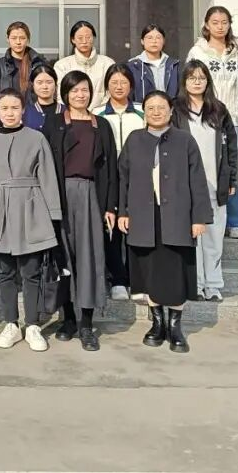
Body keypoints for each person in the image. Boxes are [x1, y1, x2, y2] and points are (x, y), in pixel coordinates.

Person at [118, 91, 213, 353]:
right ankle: (157, 323)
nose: (156, 112)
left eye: (161, 107)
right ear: (144, 112)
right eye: (150, 108)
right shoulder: (135, 139)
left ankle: (175, 325)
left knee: (176, 273)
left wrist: (199, 217)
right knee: (149, 271)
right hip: (144, 216)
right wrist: (123, 211)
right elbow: (123, 178)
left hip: (177, 217)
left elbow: (197, 180)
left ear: (171, 111)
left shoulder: (185, 140)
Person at [0, 89, 62, 352]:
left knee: (31, 271)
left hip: (31, 207)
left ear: (23, 110)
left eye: (15, 107)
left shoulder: (36, 138)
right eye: (5, 108)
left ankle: (33, 324)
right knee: (4, 271)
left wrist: (52, 215)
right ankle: (11, 323)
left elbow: (47, 176)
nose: (10, 113)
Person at [44, 71, 118, 352]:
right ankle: (68, 319)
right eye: (74, 90)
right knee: (64, 257)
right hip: (60, 196)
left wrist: (109, 206)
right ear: (65, 94)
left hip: (91, 195)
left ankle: (86, 323)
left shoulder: (102, 125)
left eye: (84, 89)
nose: (80, 95)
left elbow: (110, 168)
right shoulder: (54, 123)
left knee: (89, 258)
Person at [171, 60, 238, 302]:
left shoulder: (218, 109)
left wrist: (231, 178)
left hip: (215, 182)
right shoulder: (175, 110)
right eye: (192, 78)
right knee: (192, 237)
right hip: (186, 185)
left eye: (201, 78)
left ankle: (213, 284)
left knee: (214, 236)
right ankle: (196, 283)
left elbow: (231, 146)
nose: (197, 82)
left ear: (208, 81)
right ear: (184, 82)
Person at [187, 6, 238, 240]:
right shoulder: (197, 51)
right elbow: (192, 82)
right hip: (207, 115)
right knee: (208, 167)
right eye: (215, 22)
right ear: (206, 24)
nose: (220, 26)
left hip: (235, 115)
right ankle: (208, 217)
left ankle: (235, 221)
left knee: (232, 167)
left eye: (224, 22)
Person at [93, 62, 145, 301]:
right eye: (114, 82)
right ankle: (117, 279)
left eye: (124, 82)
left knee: (136, 229)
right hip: (109, 177)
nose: (119, 86)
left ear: (131, 85)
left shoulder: (142, 112)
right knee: (112, 229)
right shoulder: (97, 114)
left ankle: (136, 279)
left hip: (138, 178)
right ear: (107, 86)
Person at [53, 21, 114, 110]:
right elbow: (60, 95)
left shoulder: (107, 63)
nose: (84, 41)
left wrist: (98, 112)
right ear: (73, 40)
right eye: (80, 38)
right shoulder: (62, 65)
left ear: (93, 38)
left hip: (101, 114)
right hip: (71, 114)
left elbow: (111, 93)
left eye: (88, 37)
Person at [0, 21, 47, 99]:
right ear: (8, 39)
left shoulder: (39, 64)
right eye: (14, 38)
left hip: (32, 107)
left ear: (28, 40)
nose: (18, 42)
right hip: (7, 107)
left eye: (22, 38)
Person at [128, 24, 180, 105]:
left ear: (163, 41)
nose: (154, 41)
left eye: (158, 38)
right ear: (142, 41)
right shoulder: (133, 66)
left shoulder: (173, 65)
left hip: (169, 110)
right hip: (142, 110)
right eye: (150, 38)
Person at [23, 64, 64, 131]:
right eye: (40, 83)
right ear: (33, 85)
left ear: (56, 84)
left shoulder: (66, 111)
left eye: (49, 82)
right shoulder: (26, 112)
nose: (44, 87)